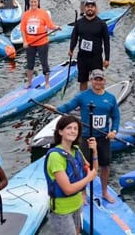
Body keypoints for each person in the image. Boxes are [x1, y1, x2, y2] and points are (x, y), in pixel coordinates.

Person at [49, 69, 119, 202]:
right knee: (82, 165)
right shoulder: (83, 96)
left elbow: (116, 116)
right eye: (95, 79)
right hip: (86, 137)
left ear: (104, 81)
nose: (98, 82)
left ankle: (104, 192)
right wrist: (56, 109)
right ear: (91, 81)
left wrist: (114, 131)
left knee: (105, 165)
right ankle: (83, 193)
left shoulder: (111, 98)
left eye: (100, 79)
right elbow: (69, 106)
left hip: (103, 137)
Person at [44, 115, 98, 235]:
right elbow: (68, 189)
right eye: (69, 128)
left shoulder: (76, 150)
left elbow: (93, 170)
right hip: (62, 210)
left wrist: (94, 151)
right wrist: (89, 177)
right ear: (60, 131)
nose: (73, 131)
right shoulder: (55, 157)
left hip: (77, 205)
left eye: (75, 128)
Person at [69, 0, 111, 91]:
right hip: (82, 57)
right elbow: (74, 37)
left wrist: (107, 58)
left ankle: (99, 98)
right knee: (83, 81)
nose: (90, 9)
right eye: (88, 7)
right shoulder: (79, 23)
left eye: (92, 7)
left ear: (95, 9)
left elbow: (106, 41)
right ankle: (83, 100)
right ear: (84, 9)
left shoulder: (102, 24)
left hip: (96, 58)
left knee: (98, 81)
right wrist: (71, 49)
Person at [21, 0, 59, 89]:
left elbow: (50, 25)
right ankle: (29, 82)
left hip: (42, 42)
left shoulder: (43, 13)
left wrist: (56, 27)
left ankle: (47, 82)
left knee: (44, 63)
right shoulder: (26, 14)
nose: (33, 4)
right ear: (29, 3)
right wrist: (24, 42)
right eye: (32, 2)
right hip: (30, 43)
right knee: (30, 64)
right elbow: (22, 29)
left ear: (38, 3)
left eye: (35, 2)